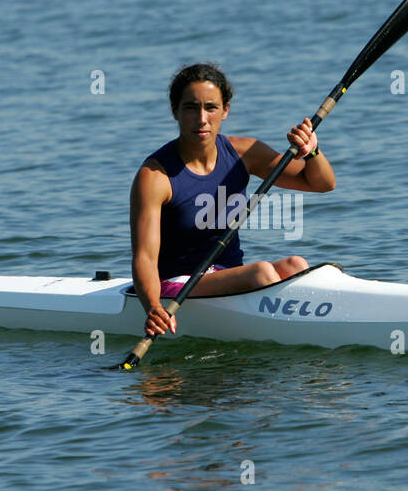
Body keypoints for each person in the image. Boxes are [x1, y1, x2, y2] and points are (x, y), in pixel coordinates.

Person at [130, 62, 337, 338]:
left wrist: (312, 152)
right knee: (261, 273)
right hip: (176, 283)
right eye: (191, 107)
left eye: (211, 107)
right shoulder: (155, 176)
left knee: (296, 265)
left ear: (225, 110)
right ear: (175, 111)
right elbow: (144, 258)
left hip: (226, 274)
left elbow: (321, 184)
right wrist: (153, 307)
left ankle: (315, 339)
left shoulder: (244, 152)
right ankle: (297, 346)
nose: (202, 118)